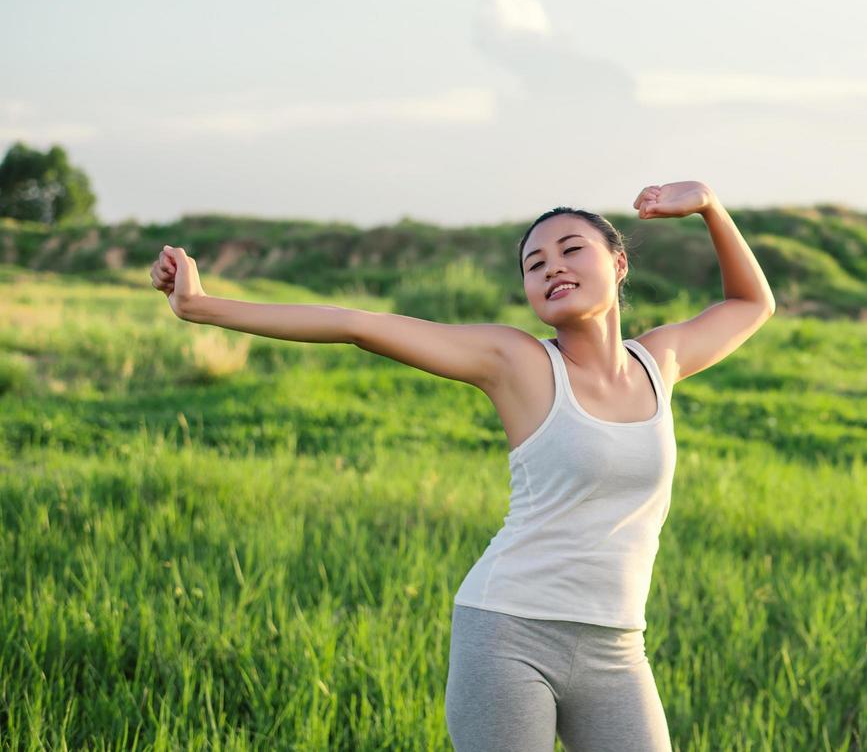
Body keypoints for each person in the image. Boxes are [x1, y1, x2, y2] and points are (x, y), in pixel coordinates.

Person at [148, 180, 777, 751]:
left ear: (618, 264)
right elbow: (356, 325)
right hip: (509, 635)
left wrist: (709, 207)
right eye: (535, 264)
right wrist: (201, 307)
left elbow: (753, 304)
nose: (552, 267)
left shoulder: (659, 361)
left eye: (570, 250)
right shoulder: (517, 362)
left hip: (618, 648)